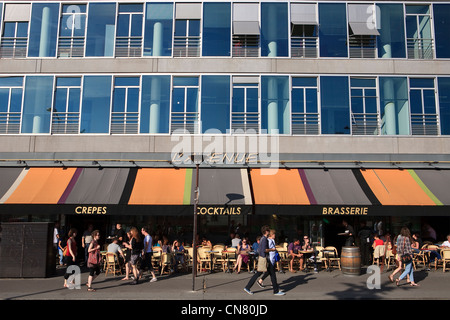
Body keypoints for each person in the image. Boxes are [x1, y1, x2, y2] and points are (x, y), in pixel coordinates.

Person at [244, 226, 285, 296]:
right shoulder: (265, 239)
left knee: (267, 273)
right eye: (268, 231)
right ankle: (275, 291)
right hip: (264, 258)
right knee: (269, 274)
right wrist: (273, 249)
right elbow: (264, 250)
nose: (269, 232)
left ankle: (275, 289)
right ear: (266, 232)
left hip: (263, 258)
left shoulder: (262, 239)